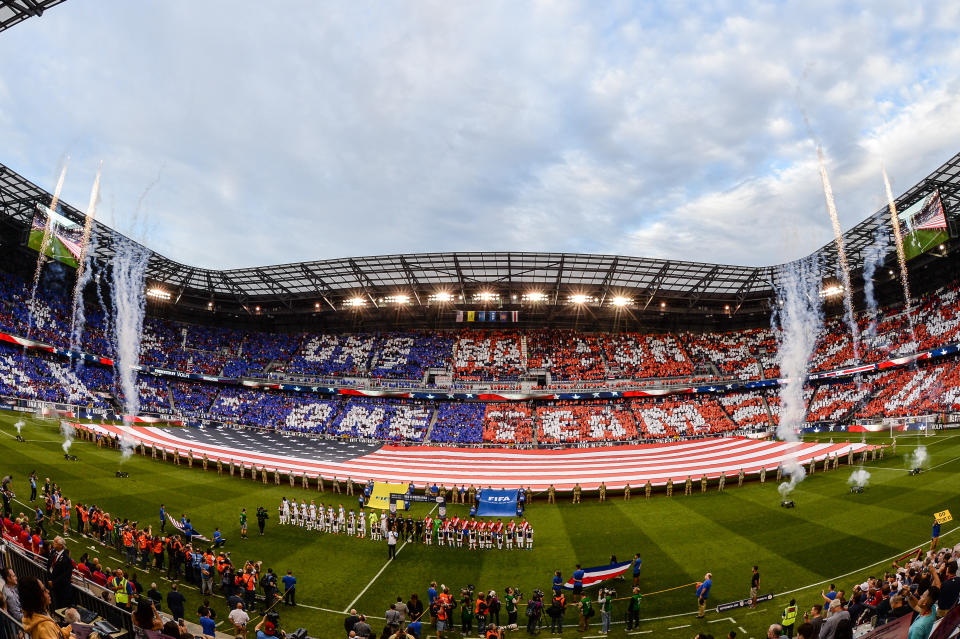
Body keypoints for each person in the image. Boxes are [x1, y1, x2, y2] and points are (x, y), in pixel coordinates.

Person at [46, 536, 73, 609]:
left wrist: (53, 582)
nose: (53, 543)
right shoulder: (53, 552)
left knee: (60, 606)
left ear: (61, 546)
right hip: (51, 583)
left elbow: (66, 575)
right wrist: (49, 579)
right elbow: (49, 566)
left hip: (60, 588)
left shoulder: (66, 559)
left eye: (55, 542)